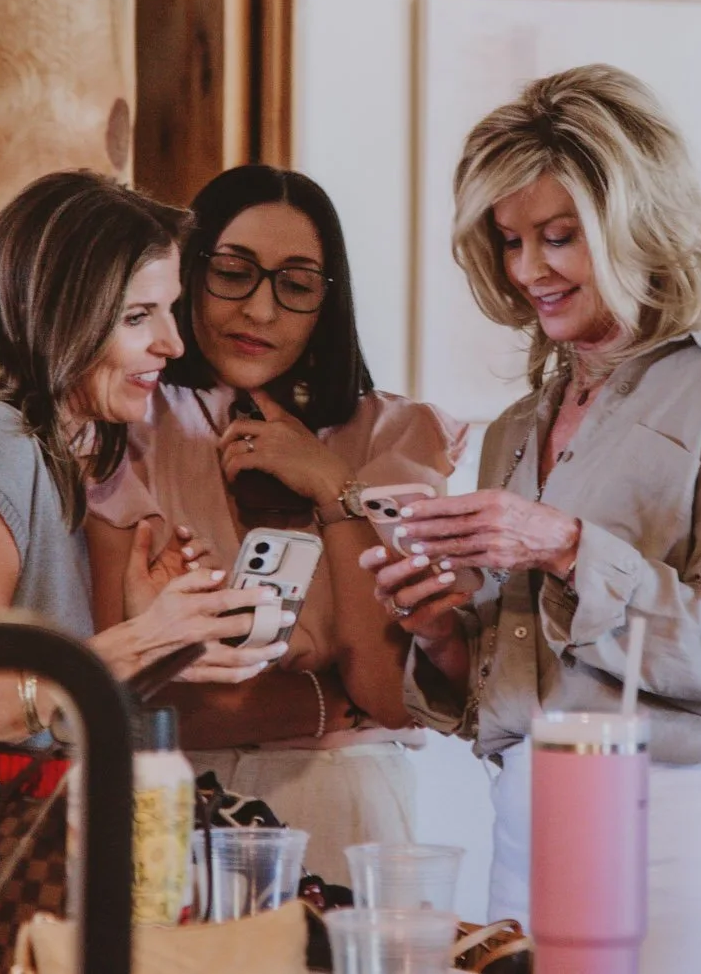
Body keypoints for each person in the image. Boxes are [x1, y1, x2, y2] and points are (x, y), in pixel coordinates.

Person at [365, 65, 701, 972]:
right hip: (530, 822)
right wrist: (442, 632)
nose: (528, 269)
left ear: (633, 224)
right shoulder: (516, 429)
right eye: (510, 241)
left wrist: (570, 546)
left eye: (559, 235)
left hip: (691, 820)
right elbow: (515, 689)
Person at [88, 164, 465, 881]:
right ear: (189, 273)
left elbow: (387, 690)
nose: (261, 310)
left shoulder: (394, 435)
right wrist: (323, 701)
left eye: (296, 284)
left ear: (328, 301)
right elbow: (131, 695)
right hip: (173, 799)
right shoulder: (129, 422)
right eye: (233, 272)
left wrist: (333, 489)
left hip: (345, 805)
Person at [0, 170, 284, 744]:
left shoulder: (49, 449)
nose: (173, 344)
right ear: (59, 314)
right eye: (137, 317)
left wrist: (143, 630)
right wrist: (144, 640)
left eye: (170, 310)